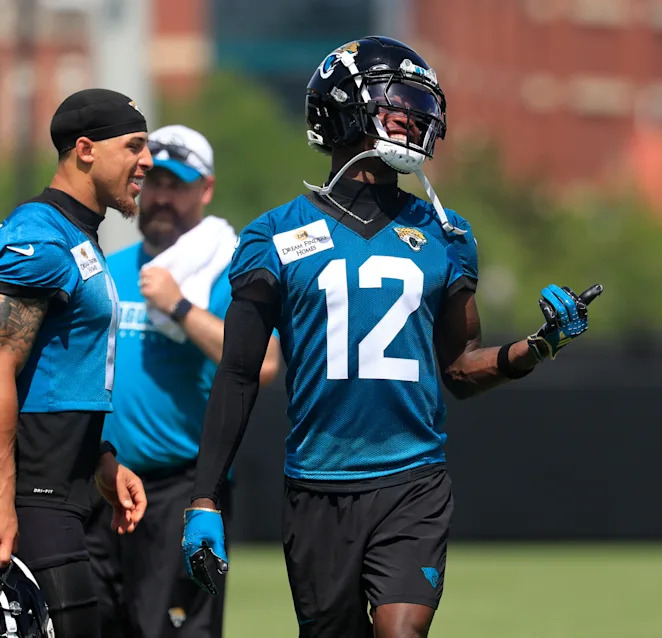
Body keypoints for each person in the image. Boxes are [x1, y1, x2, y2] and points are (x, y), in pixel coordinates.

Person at [180, 36, 602, 638]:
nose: (415, 117)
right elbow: (238, 374)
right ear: (344, 106)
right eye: (398, 100)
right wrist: (204, 501)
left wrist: (535, 347)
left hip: (413, 480)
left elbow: (457, 370)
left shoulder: (447, 235)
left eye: (420, 104)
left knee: (401, 632)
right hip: (318, 488)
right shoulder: (272, 237)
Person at [85, 124, 282, 638]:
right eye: (155, 182)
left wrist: (177, 305)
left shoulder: (224, 273)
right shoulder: (111, 266)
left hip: (181, 488)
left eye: (179, 185)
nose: (163, 197)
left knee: (173, 630)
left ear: (206, 191)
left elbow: (263, 363)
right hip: (102, 483)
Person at [0, 88, 150, 637]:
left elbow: (58, 370)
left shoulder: (81, 236)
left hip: (67, 497)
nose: (148, 161)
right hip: (33, 504)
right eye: (134, 145)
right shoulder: (38, 234)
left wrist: (101, 460)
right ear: (85, 149)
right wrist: (4, 505)